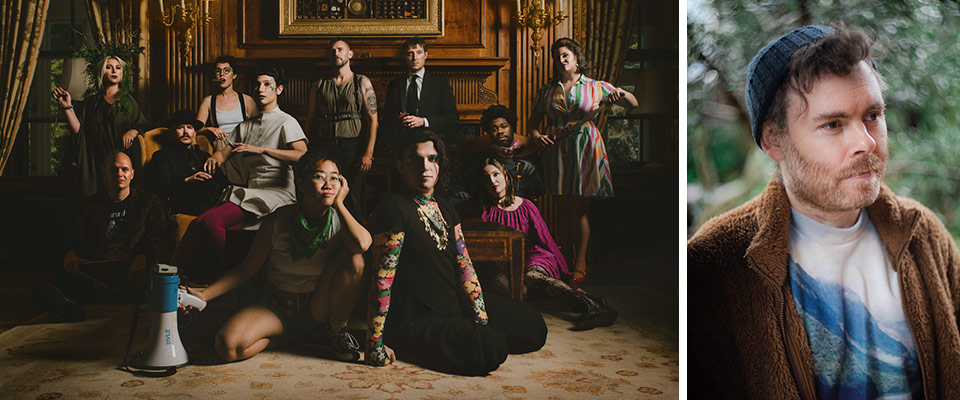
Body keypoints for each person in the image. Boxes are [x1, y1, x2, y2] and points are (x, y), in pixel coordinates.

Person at [687, 25, 960, 398]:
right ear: (773, 140)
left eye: (873, 115)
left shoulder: (924, 235)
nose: (865, 143)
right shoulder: (713, 264)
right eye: (833, 124)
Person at [365, 129, 546, 376]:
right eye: (416, 160)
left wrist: (480, 317)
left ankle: (464, 333)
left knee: (533, 325)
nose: (425, 167)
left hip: (454, 306)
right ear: (400, 165)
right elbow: (382, 280)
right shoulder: (393, 207)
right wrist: (375, 343)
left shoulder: (445, 206)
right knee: (490, 348)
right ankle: (417, 344)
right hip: (416, 319)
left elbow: (465, 265)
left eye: (432, 159)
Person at [181, 148, 371, 362]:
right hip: (278, 304)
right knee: (227, 346)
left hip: (318, 305)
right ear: (300, 182)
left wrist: (339, 203)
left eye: (335, 178)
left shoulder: (339, 218)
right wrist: (205, 295)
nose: (328, 184)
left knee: (355, 259)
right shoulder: (278, 220)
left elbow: (363, 244)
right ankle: (286, 338)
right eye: (319, 177)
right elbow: (246, 269)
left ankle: (336, 333)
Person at [173, 66, 308, 281]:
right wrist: (213, 159)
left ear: (279, 90)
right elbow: (223, 154)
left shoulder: (286, 122)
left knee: (210, 223)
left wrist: (263, 149)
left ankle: (240, 275)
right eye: (257, 85)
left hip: (277, 193)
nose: (260, 89)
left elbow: (303, 156)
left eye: (267, 85)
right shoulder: (246, 126)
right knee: (199, 224)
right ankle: (171, 277)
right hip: (250, 192)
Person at [528, 38, 638, 283]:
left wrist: (622, 93)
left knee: (578, 209)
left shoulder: (596, 87)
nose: (561, 60)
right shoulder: (547, 91)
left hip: (584, 146)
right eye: (557, 57)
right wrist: (536, 137)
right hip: (555, 149)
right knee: (561, 209)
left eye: (566, 55)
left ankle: (580, 263)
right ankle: (563, 261)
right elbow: (533, 123)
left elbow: (633, 104)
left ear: (577, 58)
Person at [476, 158, 615, 330]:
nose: (492, 181)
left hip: (535, 257)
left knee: (532, 276)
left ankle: (593, 308)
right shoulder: (485, 211)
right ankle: (593, 301)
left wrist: (571, 281)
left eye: (496, 174)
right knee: (503, 285)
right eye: (486, 178)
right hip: (507, 265)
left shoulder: (526, 206)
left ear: (505, 175)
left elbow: (547, 242)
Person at [32, 152, 172, 321]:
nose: (119, 174)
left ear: (132, 174)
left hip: (131, 267)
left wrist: (142, 258)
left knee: (159, 278)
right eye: (114, 170)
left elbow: (157, 237)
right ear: (105, 173)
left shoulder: (148, 203)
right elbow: (69, 233)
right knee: (53, 281)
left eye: (124, 170)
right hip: (97, 268)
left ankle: (91, 301)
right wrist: (69, 252)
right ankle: (76, 306)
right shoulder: (89, 205)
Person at [53, 55, 150, 197]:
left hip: (119, 162)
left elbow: (143, 125)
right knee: (95, 206)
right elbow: (81, 133)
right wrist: (68, 106)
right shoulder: (90, 102)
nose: (114, 71)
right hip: (94, 161)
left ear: (122, 73)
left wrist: (132, 132)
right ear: (101, 72)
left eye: (118, 68)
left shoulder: (128, 101)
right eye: (108, 67)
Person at [305, 39, 379, 213]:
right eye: (332, 51)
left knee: (351, 194)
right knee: (326, 192)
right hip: (326, 145)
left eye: (340, 49)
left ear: (350, 54)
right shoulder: (319, 84)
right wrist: (308, 148)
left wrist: (368, 153)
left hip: (353, 146)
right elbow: (310, 118)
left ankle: (354, 236)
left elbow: (373, 121)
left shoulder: (362, 82)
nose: (336, 53)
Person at [147, 109, 225, 216]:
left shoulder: (204, 156)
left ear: (195, 132)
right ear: (173, 131)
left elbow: (221, 183)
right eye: (180, 127)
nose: (185, 132)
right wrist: (187, 180)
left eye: (189, 127)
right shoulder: (162, 156)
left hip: (211, 205)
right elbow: (159, 190)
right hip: (180, 206)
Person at [382, 38, 459, 144]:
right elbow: (388, 119)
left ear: (425, 55)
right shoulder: (394, 85)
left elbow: (452, 118)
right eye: (410, 54)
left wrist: (423, 121)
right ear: (404, 57)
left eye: (419, 52)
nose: (415, 58)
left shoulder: (440, 83)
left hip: (432, 141)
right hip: (402, 142)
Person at [464, 105, 543, 201]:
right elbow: (465, 185)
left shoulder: (528, 156)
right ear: (489, 133)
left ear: (512, 128)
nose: (500, 131)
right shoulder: (480, 159)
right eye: (494, 129)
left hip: (521, 208)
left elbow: (539, 190)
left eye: (503, 126)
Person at [194, 55, 259, 146]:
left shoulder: (246, 100)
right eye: (218, 71)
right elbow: (196, 130)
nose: (222, 74)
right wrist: (210, 129)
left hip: (243, 145)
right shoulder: (208, 101)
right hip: (221, 144)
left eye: (226, 70)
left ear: (234, 75)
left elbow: (259, 128)